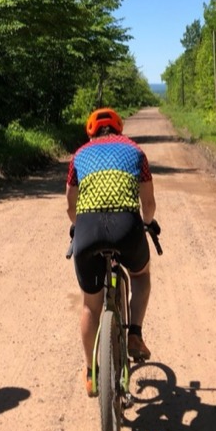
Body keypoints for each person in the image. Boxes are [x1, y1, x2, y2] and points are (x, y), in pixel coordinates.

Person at [66, 107, 160, 397]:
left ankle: (92, 373)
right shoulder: (135, 151)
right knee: (141, 275)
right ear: (119, 129)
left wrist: (80, 225)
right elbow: (149, 203)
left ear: (91, 131)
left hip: (88, 230)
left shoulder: (79, 156)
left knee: (89, 306)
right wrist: (146, 224)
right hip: (126, 227)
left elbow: (70, 207)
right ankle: (134, 333)